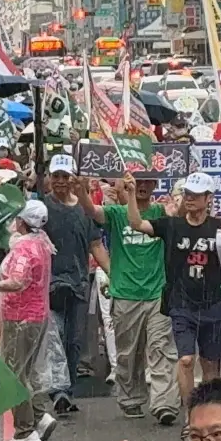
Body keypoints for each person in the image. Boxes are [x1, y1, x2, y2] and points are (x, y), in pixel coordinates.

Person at [76, 176, 180, 426]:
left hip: (158, 293)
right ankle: (131, 398)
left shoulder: (161, 212)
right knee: (128, 353)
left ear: (155, 185)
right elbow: (91, 211)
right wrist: (80, 190)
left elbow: (181, 213)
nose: (142, 186)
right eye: (137, 181)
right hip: (125, 293)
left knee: (161, 349)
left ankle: (164, 403)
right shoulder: (116, 213)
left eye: (148, 182)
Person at [126, 172, 221, 407]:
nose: (190, 198)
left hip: (212, 304)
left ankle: (208, 411)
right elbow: (137, 224)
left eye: (196, 195)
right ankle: (190, 412)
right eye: (187, 193)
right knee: (186, 360)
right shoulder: (171, 225)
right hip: (181, 304)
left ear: (208, 198)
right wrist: (130, 194)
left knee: (211, 364)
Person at [0, 200, 58, 441]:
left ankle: (25, 430)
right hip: (36, 315)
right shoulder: (41, 242)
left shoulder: (24, 249)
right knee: (28, 371)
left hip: (21, 317)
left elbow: (17, 282)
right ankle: (39, 416)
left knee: (14, 374)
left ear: (22, 221)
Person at [41, 154, 110, 415]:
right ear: (49, 178)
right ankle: (58, 390)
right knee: (55, 337)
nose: (60, 181)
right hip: (49, 285)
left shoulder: (84, 209)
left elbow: (95, 244)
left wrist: (113, 274)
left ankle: (66, 390)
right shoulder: (42, 208)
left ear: (73, 179)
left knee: (74, 341)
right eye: (56, 176)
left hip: (79, 283)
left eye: (65, 176)